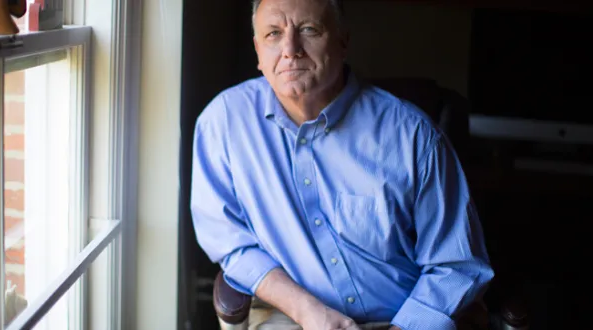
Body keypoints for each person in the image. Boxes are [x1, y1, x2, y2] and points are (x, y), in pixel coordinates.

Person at [190, 0, 494, 329]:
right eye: (273, 34)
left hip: (402, 319)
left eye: (308, 30)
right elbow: (229, 241)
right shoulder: (222, 123)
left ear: (343, 40)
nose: (290, 50)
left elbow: (458, 265)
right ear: (258, 51)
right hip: (290, 317)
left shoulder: (414, 137)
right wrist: (305, 309)